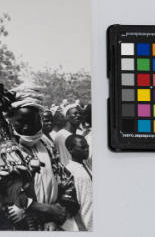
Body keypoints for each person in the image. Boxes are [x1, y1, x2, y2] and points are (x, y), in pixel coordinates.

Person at [7, 83, 80, 230]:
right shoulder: (5, 150)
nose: (26, 127)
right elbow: (3, 192)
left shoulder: (46, 144)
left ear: (38, 120)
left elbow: (66, 182)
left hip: (50, 225)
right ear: (10, 120)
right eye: (20, 122)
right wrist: (44, 210)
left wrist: (55, 214)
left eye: (31, 121)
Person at [64, 134, 92, 231]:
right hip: (81, 226)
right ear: (71, 149)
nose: (87, 149)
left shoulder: (85, 166)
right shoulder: (69, 171)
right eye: (83, 147)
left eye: (87, 146)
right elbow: (71, 202)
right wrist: (81, 226)